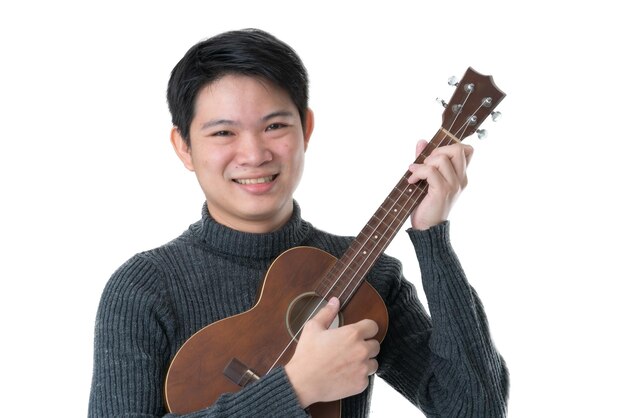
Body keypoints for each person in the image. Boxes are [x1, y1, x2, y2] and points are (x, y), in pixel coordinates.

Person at [88, 28, 509, 417]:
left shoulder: (368, 277)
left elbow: (477, 410)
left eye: (274, 126)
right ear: (184, 146)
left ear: (306, 129)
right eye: (223, 133)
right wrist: (295, 387)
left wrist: (432, 236)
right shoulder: (144, 287)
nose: (254, 154)